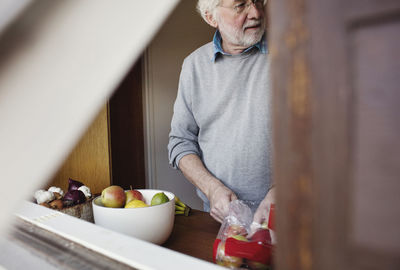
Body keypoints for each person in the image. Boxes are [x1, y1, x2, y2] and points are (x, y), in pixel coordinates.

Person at [168, 0, 275, 226]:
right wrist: (212, 189)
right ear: (211, 17)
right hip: (221, 219)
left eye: (258, 1)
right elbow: (180, 142)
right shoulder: (193, 66)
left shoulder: (293, 55)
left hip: (289, 216)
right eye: (240, 5)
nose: (256, 12)